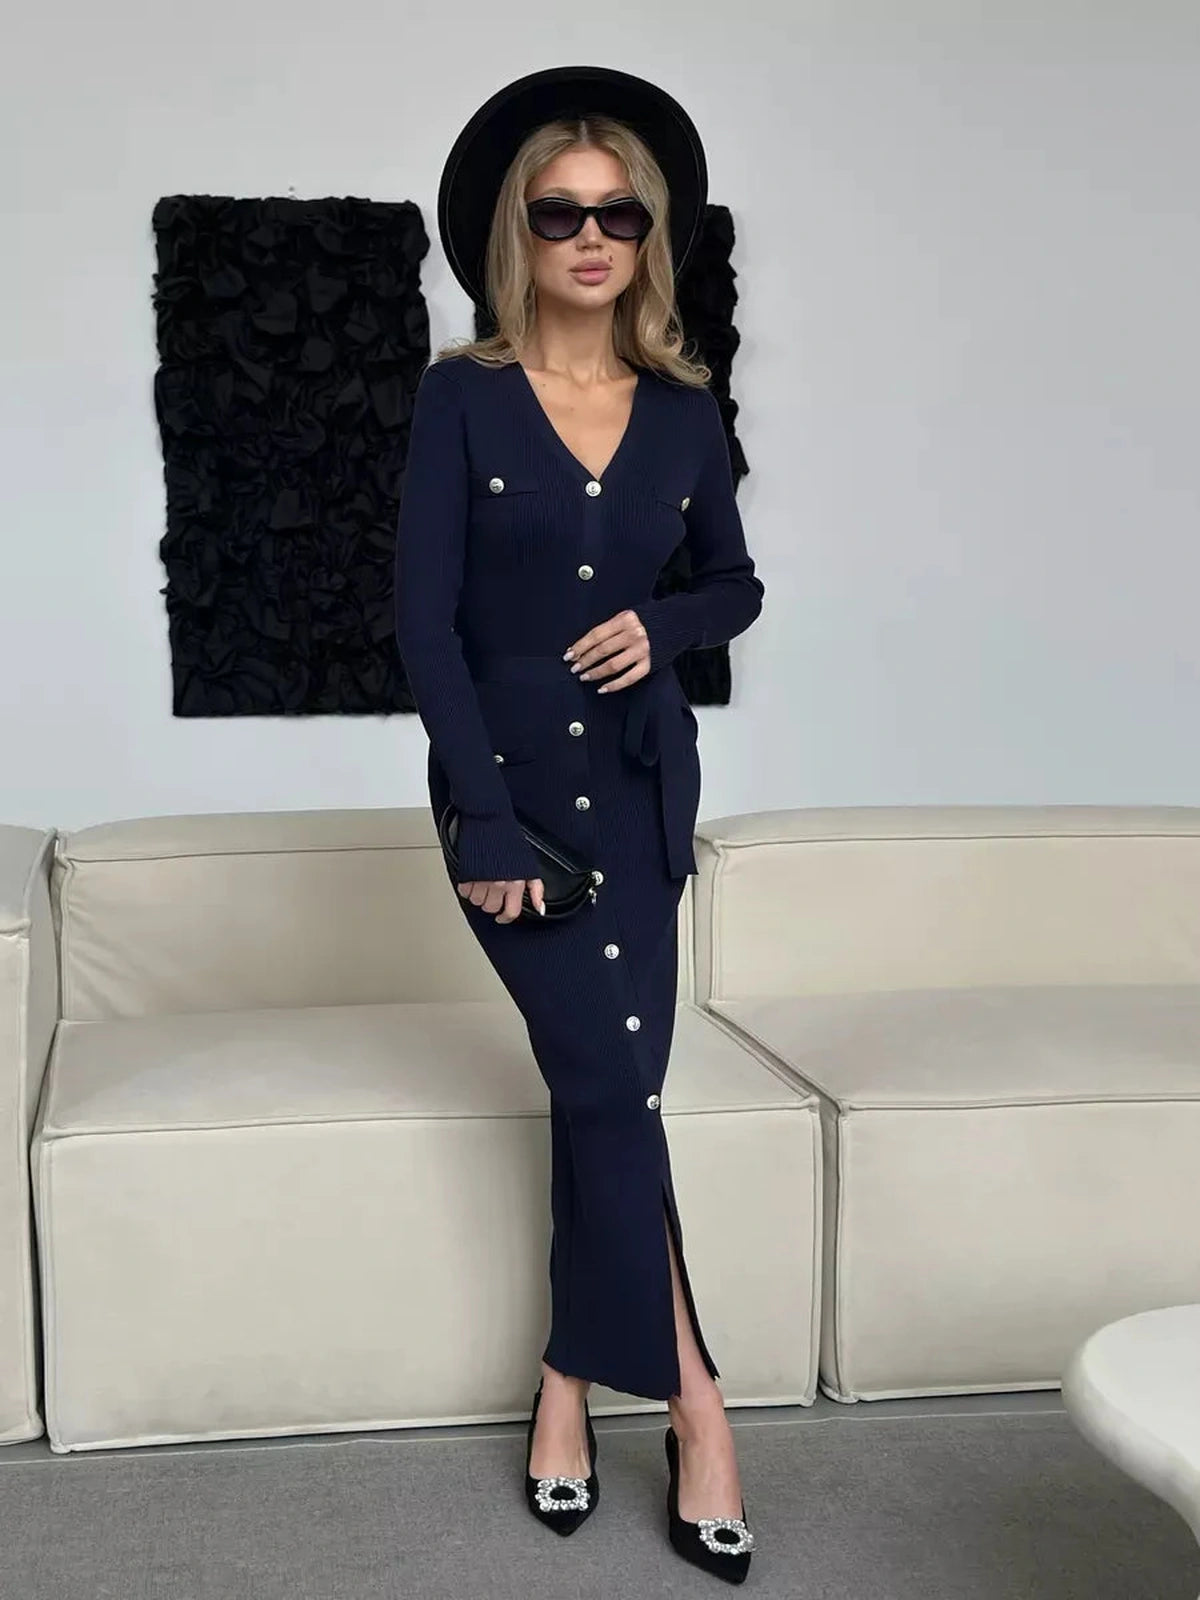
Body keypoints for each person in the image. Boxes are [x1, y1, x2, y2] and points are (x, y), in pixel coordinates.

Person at [394, 66, 765, 1582]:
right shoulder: (461, 398)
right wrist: (482, 823)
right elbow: (423, 626)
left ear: (649, 236)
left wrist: (664, 626)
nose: (593, 237)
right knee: (613, 1090)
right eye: (562, 213)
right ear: (520, 235)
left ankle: (564, 1380)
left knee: (605, 1094)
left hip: (640, 794)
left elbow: (737, 583)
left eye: (620, 215)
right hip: (514, 811)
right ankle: (697, 1406)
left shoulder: (683, 414)